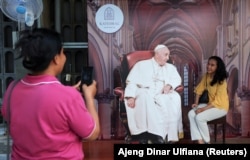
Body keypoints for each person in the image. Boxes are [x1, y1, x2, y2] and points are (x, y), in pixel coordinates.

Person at [1, 28, 100, 159]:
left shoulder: (12, 89)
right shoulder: (67, 97)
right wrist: (89, 97)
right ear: (56, 59)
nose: (64, 57)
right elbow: (92, 134)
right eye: (63, 53)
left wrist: (66, 94)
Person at [124, 44, 183, 144]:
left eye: (168, 55)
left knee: (174, 98)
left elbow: (177, 79)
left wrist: (169, 85)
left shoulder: (170, 67)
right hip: (146, 91)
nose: (168, 58)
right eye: (166, 55)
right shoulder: (141, 65)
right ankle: (148, 135)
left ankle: (166, 135)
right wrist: (131, 96)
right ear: (157, 54)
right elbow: (131, 81)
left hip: (162, 93)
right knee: (144, 97)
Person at [188, 56, 229, 144]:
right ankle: (199, 140)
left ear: (217, 67)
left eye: (212, 65)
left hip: (221, 107)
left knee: (200, 118)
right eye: (208, 64)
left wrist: (202, 109)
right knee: (191, 114)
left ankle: (207, 142)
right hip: (210, 104)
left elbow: (217, 101)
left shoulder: (222, 81)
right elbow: (199, 90)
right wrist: (196, 103)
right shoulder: (207, 75)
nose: (209, 66)